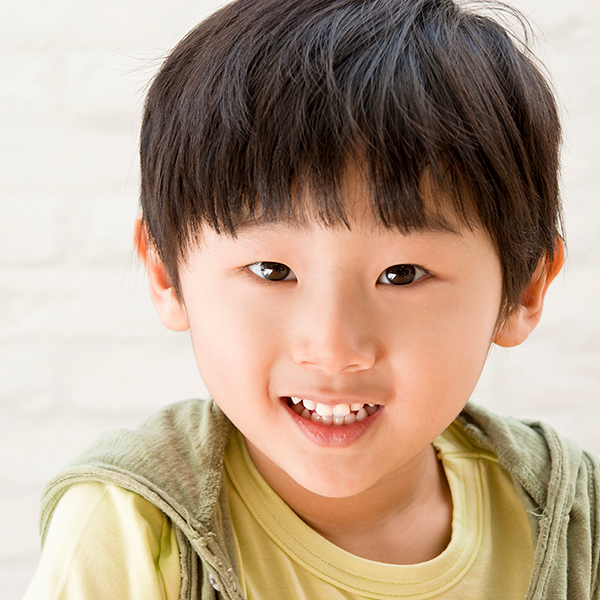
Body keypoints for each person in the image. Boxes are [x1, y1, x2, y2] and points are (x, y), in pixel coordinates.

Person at [24, 0, 600, 598]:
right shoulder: (133, 528)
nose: (332, 349)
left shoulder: (578, 519)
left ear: (525, 288)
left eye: (402, 274)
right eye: (272, 270)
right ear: (167, 273)